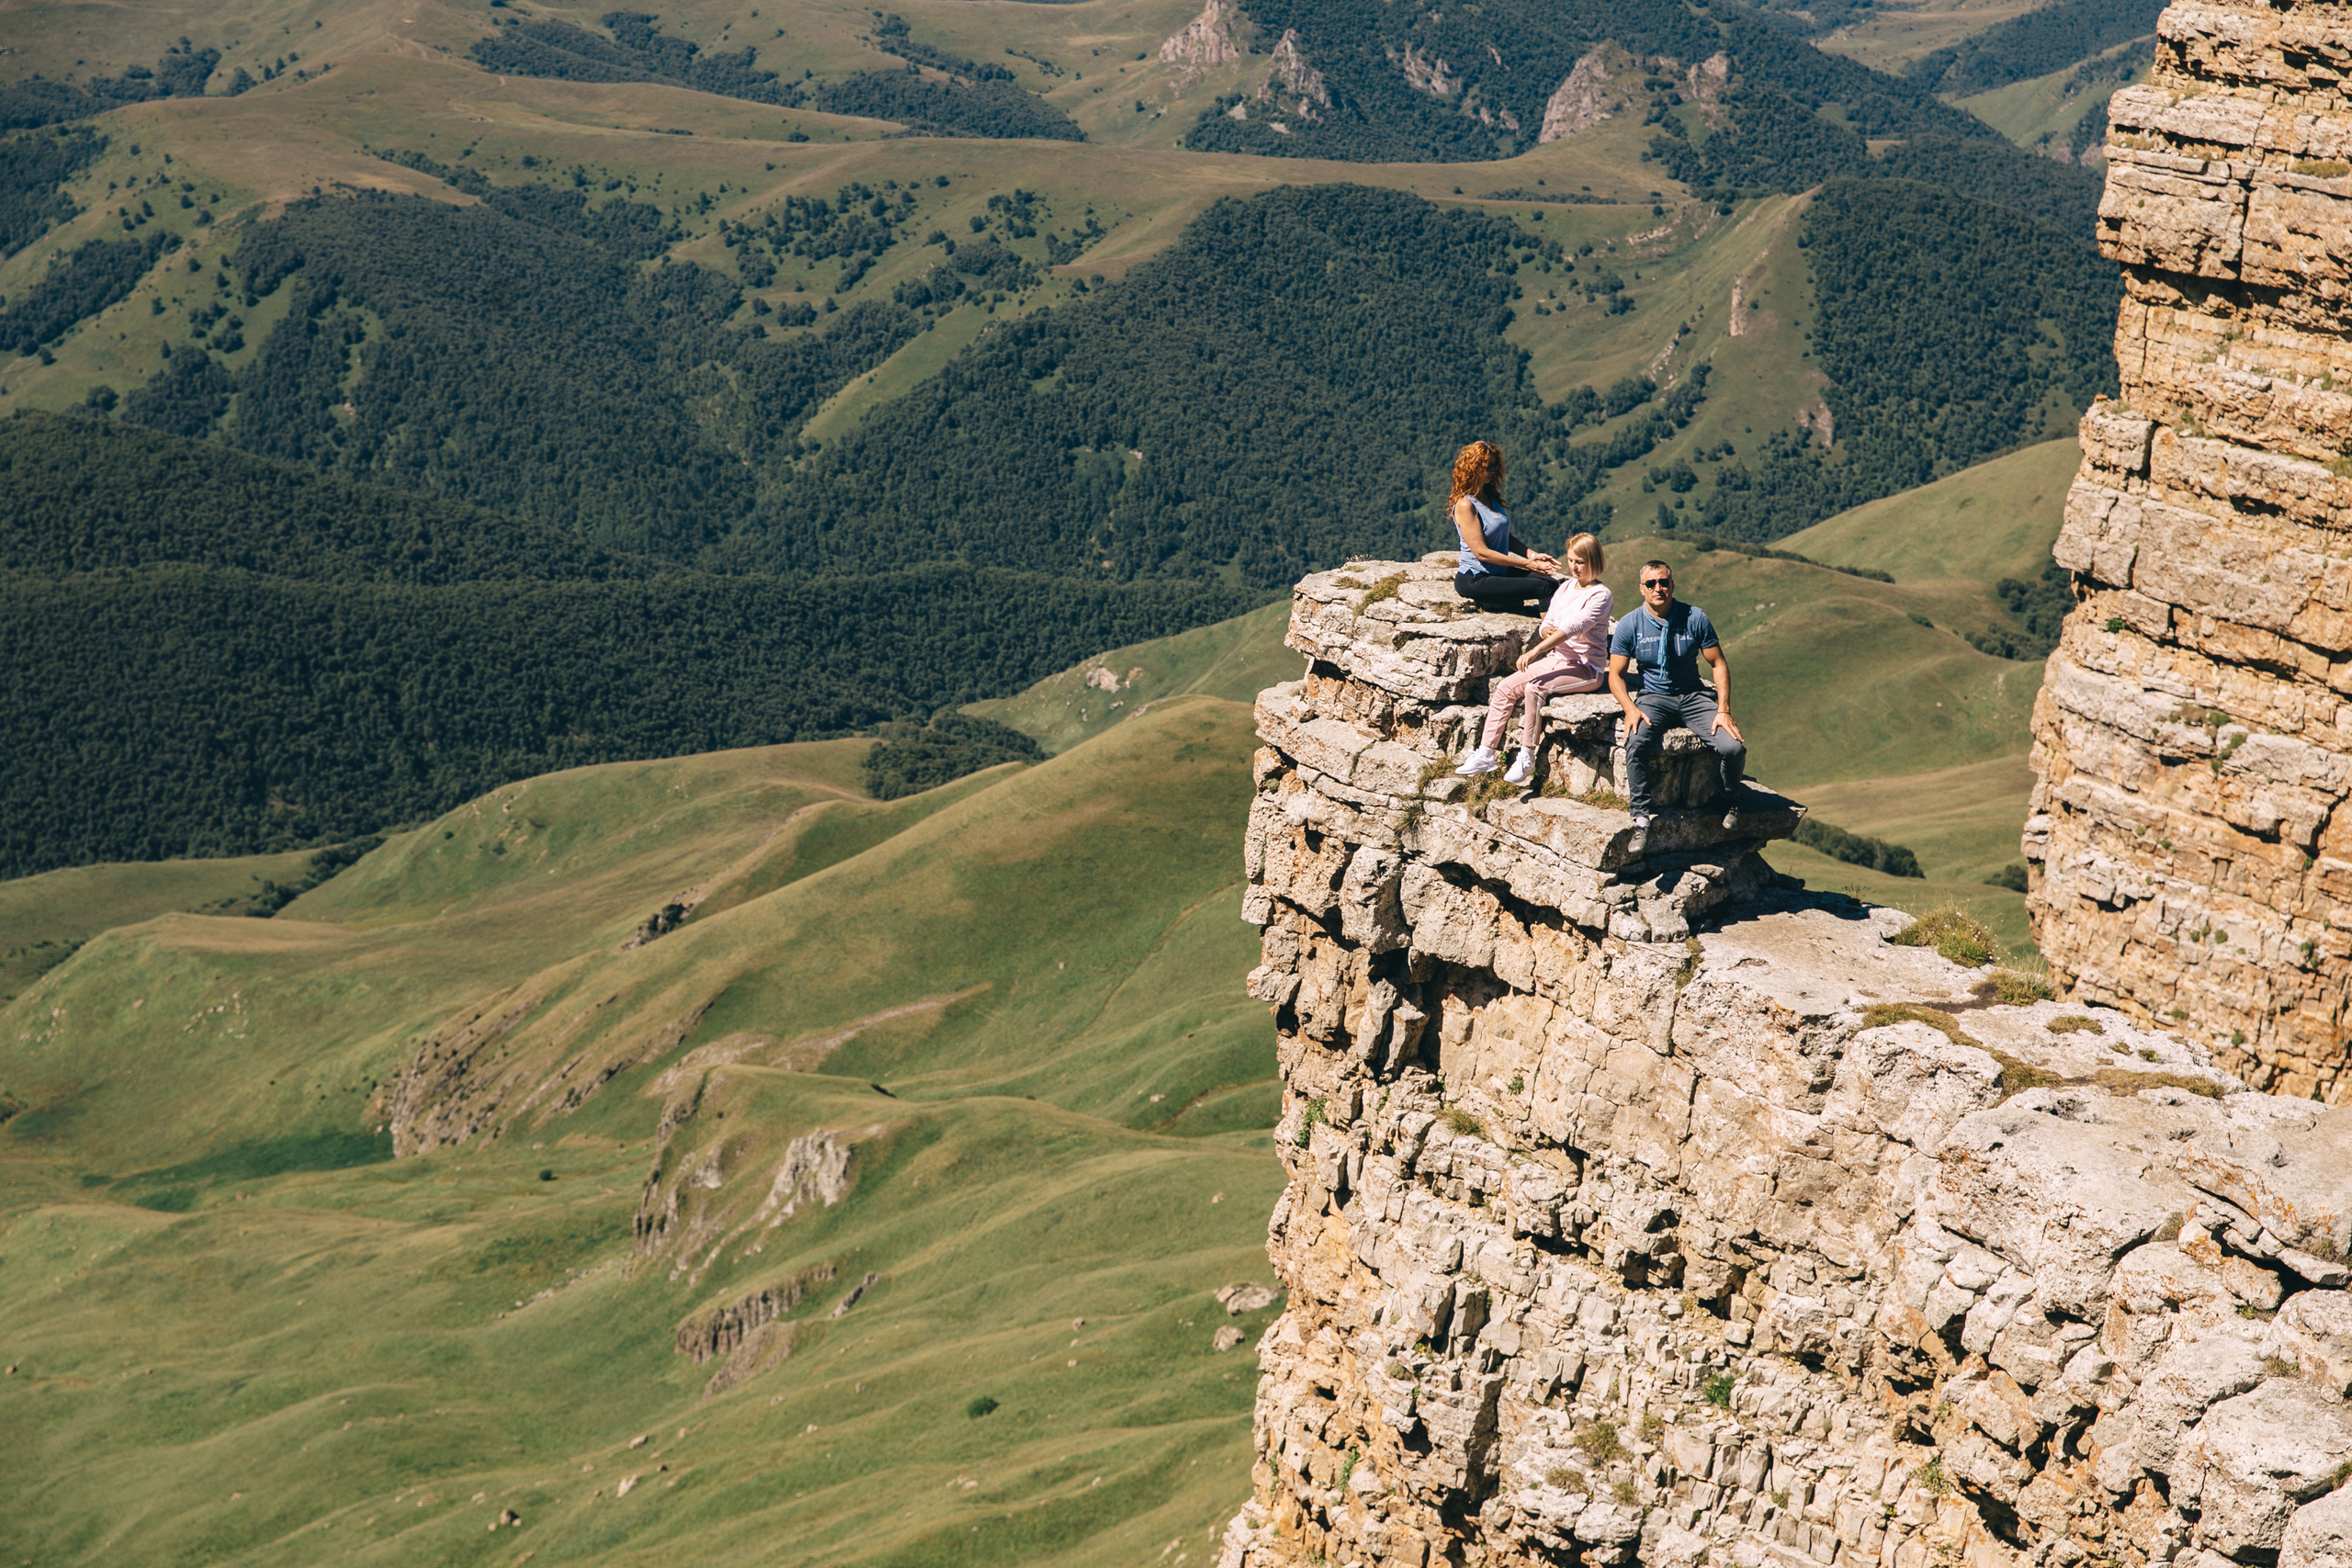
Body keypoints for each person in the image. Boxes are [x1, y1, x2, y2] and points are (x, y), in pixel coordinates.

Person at [1606, 558, 1747, 856]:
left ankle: (1729, 799)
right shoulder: (1631, 624)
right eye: (1651, 583)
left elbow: (1718, 663)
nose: (1658, 588)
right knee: (1635, 741)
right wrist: (1630, 708)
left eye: (1664, 582)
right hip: (1653, 698)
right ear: (1642, 589)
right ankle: (1641, 819)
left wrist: (1723, 710)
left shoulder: (1694, 617)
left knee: (1733, 747)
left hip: (1692, 695)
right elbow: (1615, 675)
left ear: (1672, 585)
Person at [1458, 533, 1611, 784]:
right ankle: (1486, 753)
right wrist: (1545, 630)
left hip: (1586, 667)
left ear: (1593, 561)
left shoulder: (1601, 595)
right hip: (1557, 658)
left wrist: (1535, 651)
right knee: (1506, 687)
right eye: (1571, 560)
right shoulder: (1565, 587)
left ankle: (1526, 756)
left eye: (1580, 562)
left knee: (1535, 689)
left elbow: (1573, 627)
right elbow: (1548, 621)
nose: (1574, 567)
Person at [1449, 439, 1557, 614]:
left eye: (1494, 466)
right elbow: (1481, 553)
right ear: (1473, 467)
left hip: (1498, 572)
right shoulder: (1465, 505)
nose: (1492, 471)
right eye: (1487, 467)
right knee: (1544, 588)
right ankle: (1550, 631)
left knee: (1551, 582)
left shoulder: (1489, 497)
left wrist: (1533, 555)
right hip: (1476, 577)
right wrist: (1526, 564)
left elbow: (1505, 537)